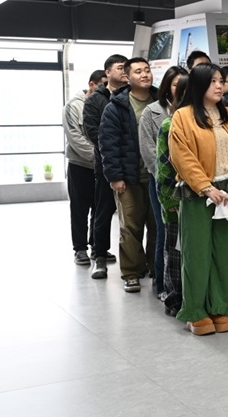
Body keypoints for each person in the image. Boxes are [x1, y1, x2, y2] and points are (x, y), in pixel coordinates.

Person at [169, 64, 228, 335]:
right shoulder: (182, 116)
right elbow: (182, 156)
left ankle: (220, 306)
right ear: (198, 84)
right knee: (196, 254)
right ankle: (195, 311)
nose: (219, 86)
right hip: (197, 195)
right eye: (212, 81)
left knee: (227, 254)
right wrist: (205, 187)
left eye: (220, 81)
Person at [99, 57, 159, 293]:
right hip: (129, 177)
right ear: (127, 76)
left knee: (157, 226)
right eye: (138, 71)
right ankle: (132, 273)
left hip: (156, 176)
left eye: (147, 70)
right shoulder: (116, 106)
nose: (145, 75)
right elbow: (108, 144)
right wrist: (115, 176)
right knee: (131, 227)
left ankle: (156, 268)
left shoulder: (161, 101)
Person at [139, 66, 188, 299]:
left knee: (184, 235)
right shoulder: (152, 112)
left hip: (190, 184)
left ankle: (184, 284)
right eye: (176, 84)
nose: (181, 88)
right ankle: (162, 284)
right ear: (167, 86)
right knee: (164, 232)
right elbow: (149, 151)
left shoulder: (192, 111)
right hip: (162, 181)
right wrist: (168, 177)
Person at [83, 54, 127, 278]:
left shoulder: (132, 96)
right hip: (106, 165)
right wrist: (113, 150)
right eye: (120, 68)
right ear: (107, 72)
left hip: (131, 164)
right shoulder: (95, 100)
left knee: (135, 216)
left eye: (126, 67)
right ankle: (99, 256)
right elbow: (92, 132)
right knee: (103, 212)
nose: (124, 71)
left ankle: (137, 262)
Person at [64, 69, 106, 265]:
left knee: (99, 209)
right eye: (102, 85)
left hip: (101, 166)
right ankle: (80, 249)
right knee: (79, 209)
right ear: (92, 84)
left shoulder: (106, 103)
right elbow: (75, 137)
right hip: (80, 165)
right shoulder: (73, 106)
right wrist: (99, 156)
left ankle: (98, 247)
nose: (105, 89)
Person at [155, 73, 189, 317]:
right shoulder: (170, 124)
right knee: (175, 251)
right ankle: (174, 298)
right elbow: (164, 169)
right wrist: (169, 201)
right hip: (175, 200)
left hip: (199, 199)